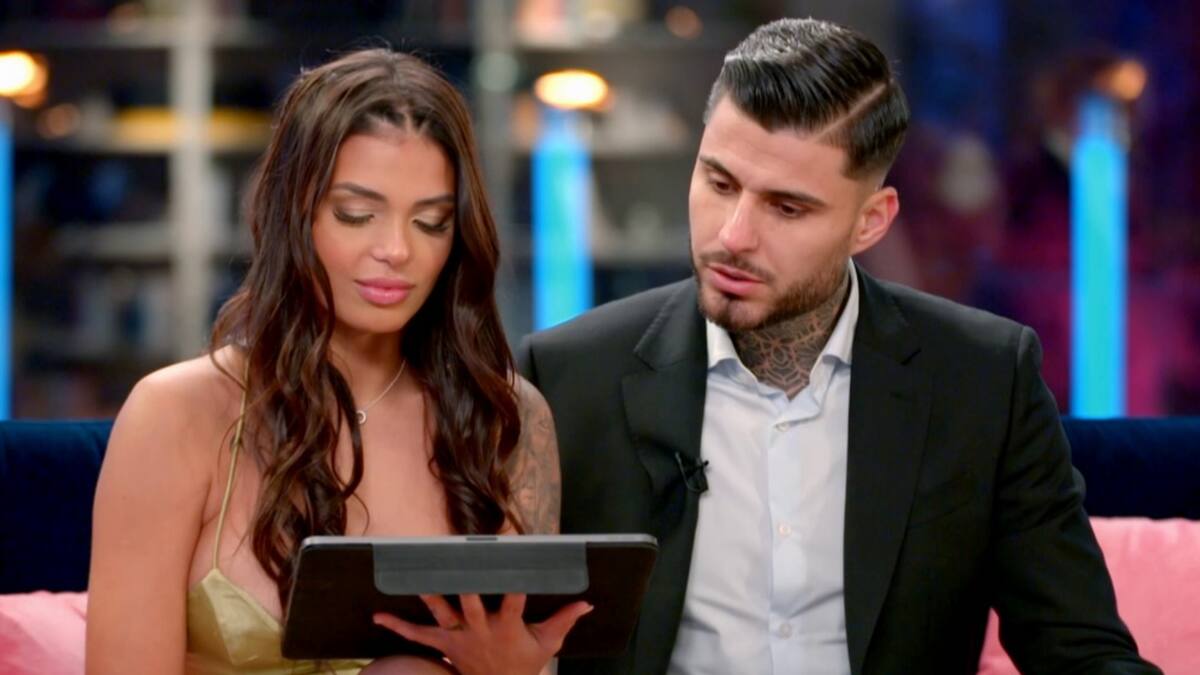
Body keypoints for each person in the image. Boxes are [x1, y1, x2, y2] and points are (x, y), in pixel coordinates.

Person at [517, 18, 1161, 675]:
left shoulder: (983, 380)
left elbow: (1080, 648)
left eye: (787, 208)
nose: (733, 235)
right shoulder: (567, 379)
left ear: (870, 222)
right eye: (719, 183)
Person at [86, 49, 589, 675]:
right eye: (357, 215)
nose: (396, 249)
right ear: (294, 212)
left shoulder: (504, 419)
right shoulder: (174, 414)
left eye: (431, 223)